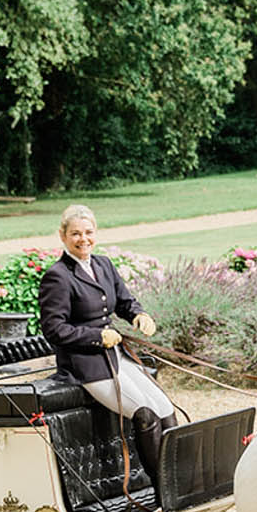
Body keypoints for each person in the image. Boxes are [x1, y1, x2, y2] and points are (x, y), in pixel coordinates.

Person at [37, 204, 178, 489]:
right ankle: (162, 488)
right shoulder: (58, 276)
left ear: (96, 233)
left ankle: (180, 478)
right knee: (145, 413)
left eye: (88, 232)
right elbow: (53, 329)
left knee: (164, 408)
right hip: (85, 366)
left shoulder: (104, 265)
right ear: (62, 236)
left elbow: (125, 302)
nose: (83, 239)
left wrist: (139, 314)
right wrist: (95, 336)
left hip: (117, 357)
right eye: (75, 234)